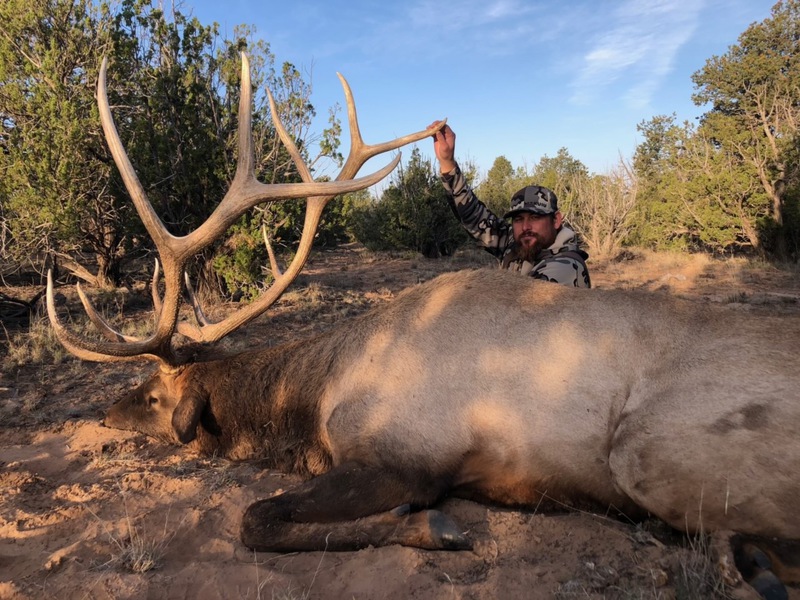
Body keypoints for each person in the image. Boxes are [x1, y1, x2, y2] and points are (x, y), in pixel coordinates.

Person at [430, 121, 591, 288]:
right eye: (518, 219)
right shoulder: (518, 243)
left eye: (535, 217)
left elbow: (519, 308)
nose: (526, 226)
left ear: (556, 220)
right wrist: (447, 162)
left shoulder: (566, 267)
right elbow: (473, 216)